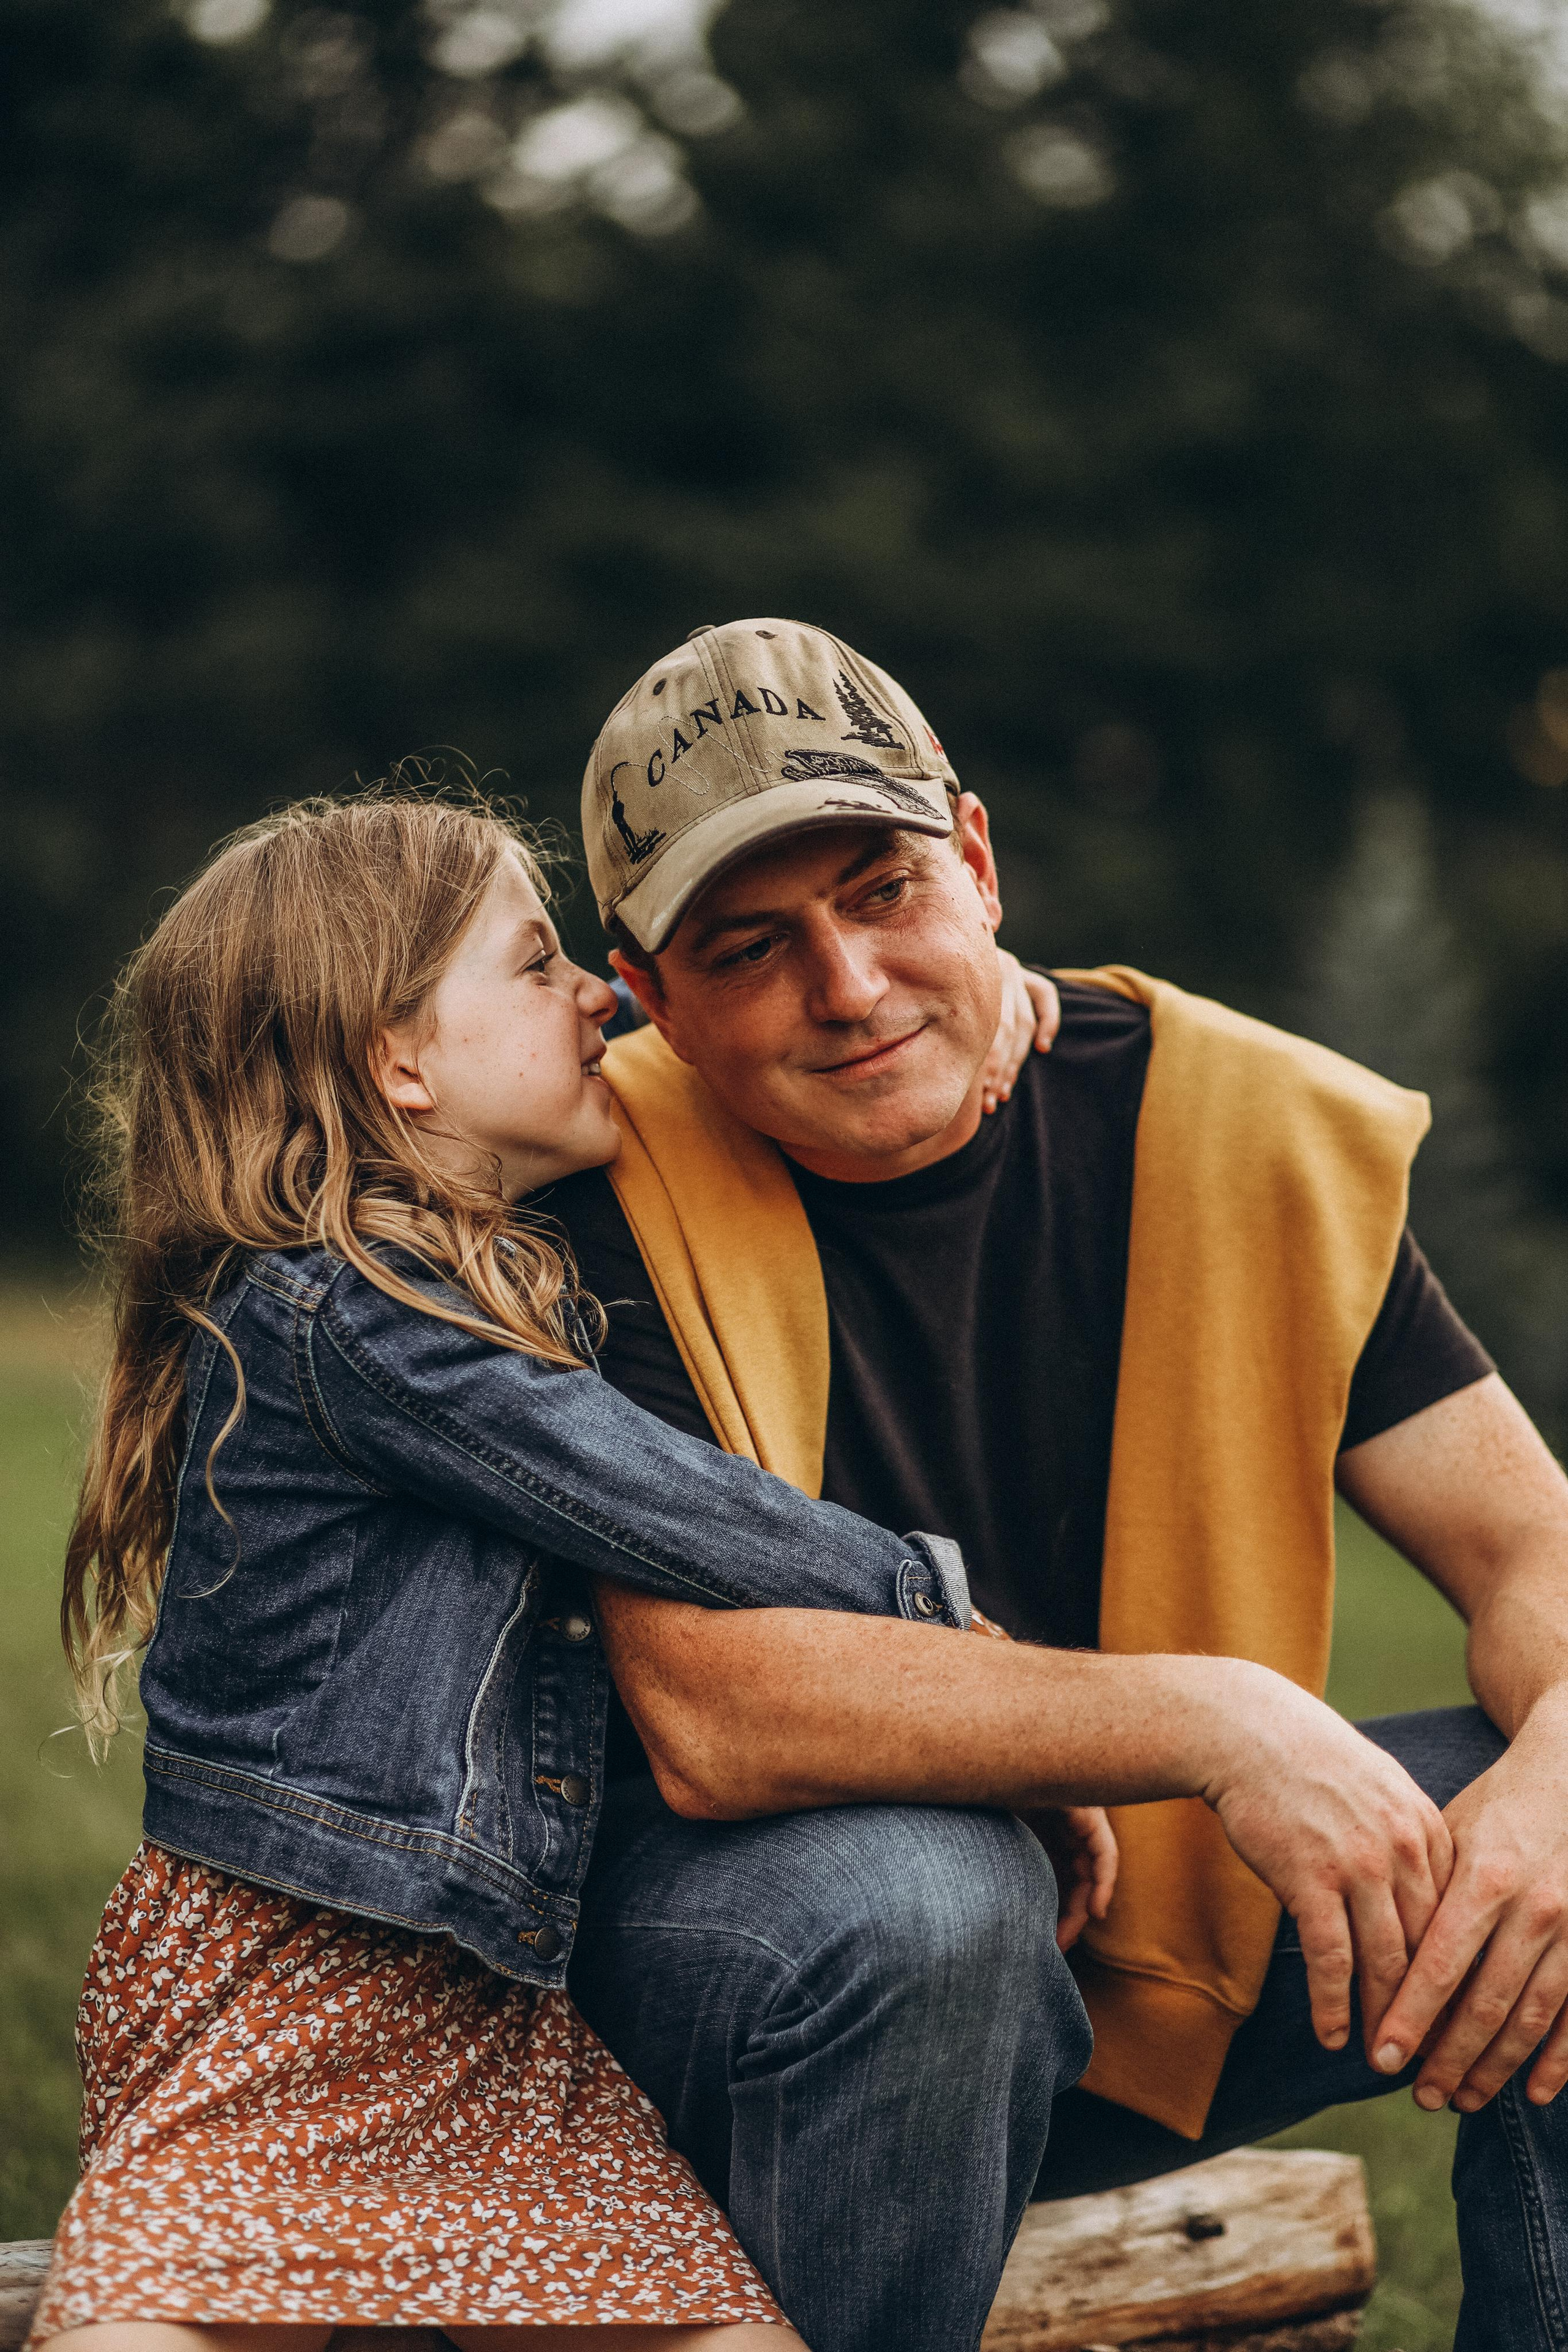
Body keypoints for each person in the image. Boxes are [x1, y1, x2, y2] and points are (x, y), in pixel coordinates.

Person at [544, 617, 1568, 2352]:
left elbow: (1534, 1552)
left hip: (1160, 1958)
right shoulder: (592, 1179)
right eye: (749, 946)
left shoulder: (1251, 1134)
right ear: (649, 998)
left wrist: (1557, 1785)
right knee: (935, 1893)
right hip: (739, 1996)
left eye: (882, 891)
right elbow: (718, 1711)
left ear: (981, 858)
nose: (850, 987)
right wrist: (1228, 1722)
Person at [31, 787, 1059, 2352]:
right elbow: (681, 1510)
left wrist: (997, 1004)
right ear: (398, 1060)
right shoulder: (356, 1318)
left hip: (484, 2009)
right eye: (533, 964)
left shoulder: (484, 1273)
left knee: (709, 2322)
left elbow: (740, 1067)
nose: (601, 991)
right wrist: (955, 1627)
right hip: (294, 1980)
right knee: (157, 2314)